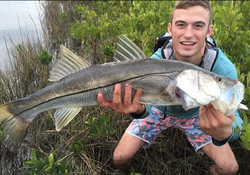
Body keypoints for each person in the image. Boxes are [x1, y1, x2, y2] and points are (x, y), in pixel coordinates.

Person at [97, 1, 243, 174]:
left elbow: (236, 118)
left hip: (197, 116)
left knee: (229, 168)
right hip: (159, 111)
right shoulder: (158, 59)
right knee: (120, 157)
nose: (188, 34)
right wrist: (138, 110)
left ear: (208, 31)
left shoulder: (223, 69)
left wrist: (226, 132)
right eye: (181, 25)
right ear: (170, 29)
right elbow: (148, 105)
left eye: (198, 25)